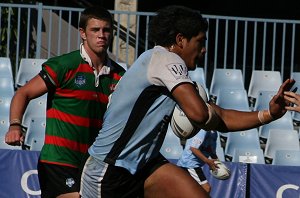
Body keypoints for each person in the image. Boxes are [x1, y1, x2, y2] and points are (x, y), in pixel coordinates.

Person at [80, 5, 295, 198]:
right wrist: (207, 111)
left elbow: (220, 117)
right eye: (200, 41)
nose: (203, 49)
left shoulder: (166, 70)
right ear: (180, 40)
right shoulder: (166, 59)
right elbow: (200, 114)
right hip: (109, 170)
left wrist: (269, 114)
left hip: (146, 164)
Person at [5, 6, 125, 198]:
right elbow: (24, 93)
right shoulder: (64, 65)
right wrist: (15, 125)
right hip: (58, 160)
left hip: (92, 164)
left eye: (106, 30)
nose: (101, 35)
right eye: (95, 30)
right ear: (82, 33)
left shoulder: (120, 76)